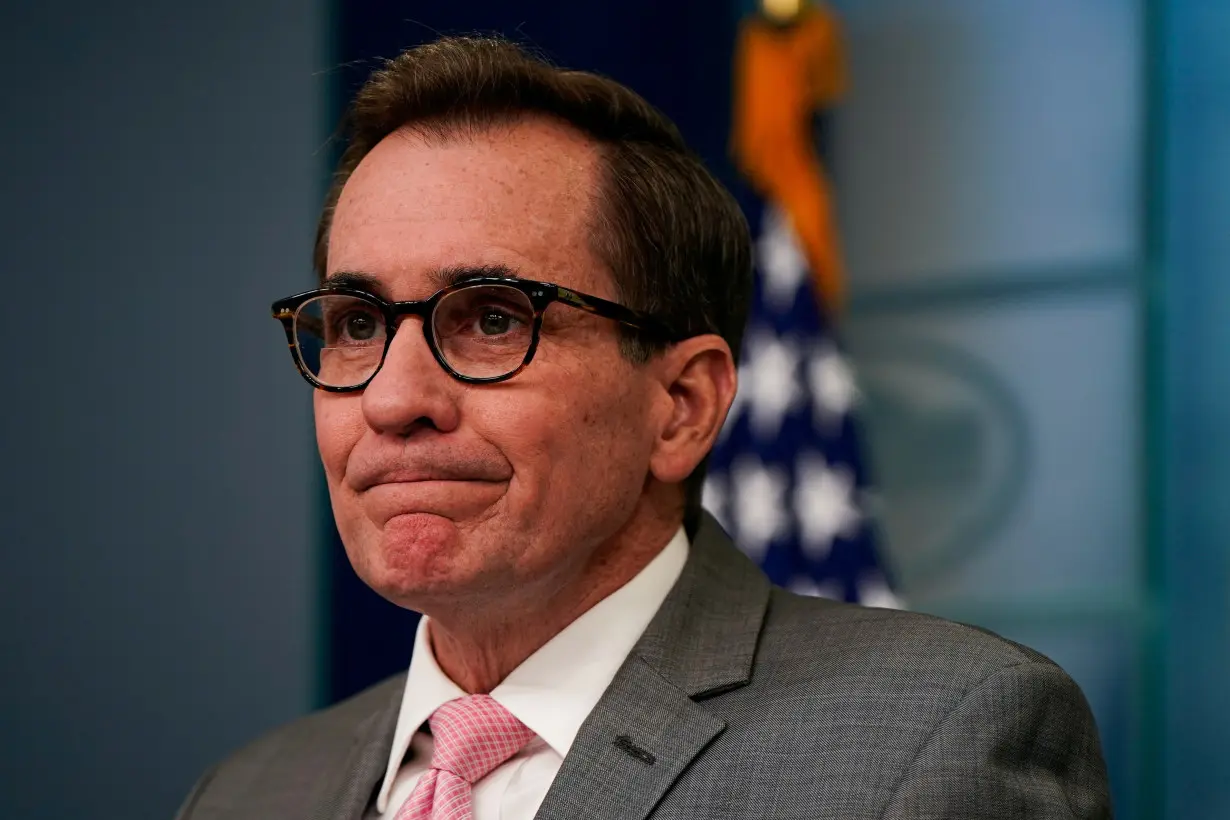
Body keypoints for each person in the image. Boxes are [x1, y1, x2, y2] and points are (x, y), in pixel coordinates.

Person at [177, 35, 1112, 820]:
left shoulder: (934, 743)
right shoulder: (247, 793)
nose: (393, 399)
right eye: (357, 325)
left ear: (682, 406)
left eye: (494, 318)